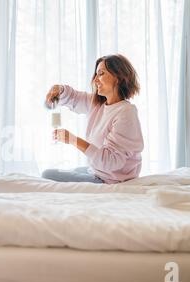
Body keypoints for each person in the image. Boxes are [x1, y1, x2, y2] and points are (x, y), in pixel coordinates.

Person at [42, 54, 144, 184]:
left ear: (118, 77)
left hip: (111, 179)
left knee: (47, 175)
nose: (95, 80)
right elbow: (75, 98)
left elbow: (111, 161)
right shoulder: (98, 104)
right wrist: (59, 90)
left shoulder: (126, 113)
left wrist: (73, 140)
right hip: (97, 171)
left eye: (101, 73)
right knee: (58, 172)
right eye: (96, 74)